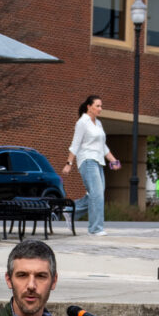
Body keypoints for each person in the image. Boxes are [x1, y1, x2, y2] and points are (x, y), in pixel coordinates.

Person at [63, 95, 120, 236]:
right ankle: (95, 229)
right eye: (97, 106)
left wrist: (113, 160)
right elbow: (75, 144)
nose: (100, 109)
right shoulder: (82, 122)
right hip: (87, 160)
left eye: (101, 106)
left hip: (99, 161)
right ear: (89, 106)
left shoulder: (98, 123)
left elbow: (103, 146)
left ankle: (70, 210)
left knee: (96, 194)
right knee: (97, 195)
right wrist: (69, 163)